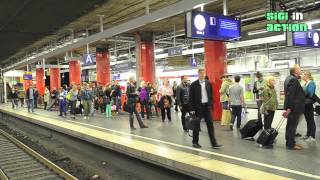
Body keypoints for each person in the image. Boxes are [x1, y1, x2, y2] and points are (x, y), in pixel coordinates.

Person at [189, 69, 221, 149]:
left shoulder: (208, 83)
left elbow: (210, 95)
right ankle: (195, 142)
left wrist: (211, 104)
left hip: (207, 107)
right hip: (197, 108)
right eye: (201, 74)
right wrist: (192, 109)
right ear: (198, 74)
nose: (202, 75)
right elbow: (191, 98)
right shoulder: (193, 85)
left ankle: (214, 143)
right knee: (196, 126)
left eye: (203, 74)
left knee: (210, 125)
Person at [283, 65, 305, 150]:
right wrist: (289, 108)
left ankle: (289, 142)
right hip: (294, 107)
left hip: (292, 107)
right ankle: (291, 144)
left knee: (290, 125)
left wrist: (299, 78)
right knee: (292, 126)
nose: (301, 70)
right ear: (295, 71)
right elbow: (290, 95)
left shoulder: (289, 78)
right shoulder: (293, 80)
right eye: (299, 69)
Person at [301, 71, 316, 142]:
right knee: (307, 120)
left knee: (311, 120)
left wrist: (301, 93)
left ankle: (312, 136)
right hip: (305, 104)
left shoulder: (311, 83)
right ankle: (308, 134)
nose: (301, 75)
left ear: (306, 75)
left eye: (303, 74)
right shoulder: (306, 83)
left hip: (309, 104)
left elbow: (310, 94)